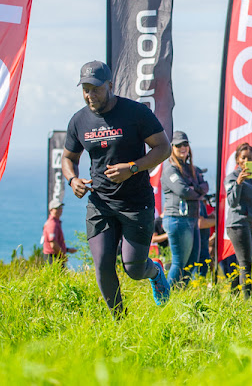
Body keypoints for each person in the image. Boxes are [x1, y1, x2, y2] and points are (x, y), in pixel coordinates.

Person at [61, 61, 171, 316]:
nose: (90, 95)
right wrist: (72, 180)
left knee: (133, 269)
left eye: (96, 89)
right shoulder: (79, 121)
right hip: (100, 203)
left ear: (110, 85)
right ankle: (119, 322)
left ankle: (155, 271)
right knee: (102, 264)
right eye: (86, 89)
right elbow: (68, 159)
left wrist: (131, 168)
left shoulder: (135, 113)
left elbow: (163, 148)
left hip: (135, 202)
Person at [160, 130, 209, 287]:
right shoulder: (170, 170)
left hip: (192, 219)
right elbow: (183, 191)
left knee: (192, 262)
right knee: (179, 262)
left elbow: (205, 186)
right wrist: (197, 190)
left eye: (185, 144)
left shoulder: (192, 169)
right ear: (172, 148)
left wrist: (193, 189)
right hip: (177, 220)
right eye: (178, 145)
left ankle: (179, 294)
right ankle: (165, 297)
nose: (182, 147)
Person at [224, 142, 252, 299]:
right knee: (245, 263)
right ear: (237, 160)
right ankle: (247, 301)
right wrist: (238, 183)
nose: (247, 160)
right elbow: (232, 202)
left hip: (250, 223)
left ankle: (233, 296)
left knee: (243, 261)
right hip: (237, 224)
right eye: (243, 157)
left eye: (250, 158)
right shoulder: (232, 177)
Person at [41, 199, 76, 264]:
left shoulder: (56, 222)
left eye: (61, 208)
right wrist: (63, 256)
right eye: (57, 208)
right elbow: (53, 244)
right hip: (53, 258)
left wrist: (67, 250)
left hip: (55, 256)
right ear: (51, 210)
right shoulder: (52, 224)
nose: (60, 210)